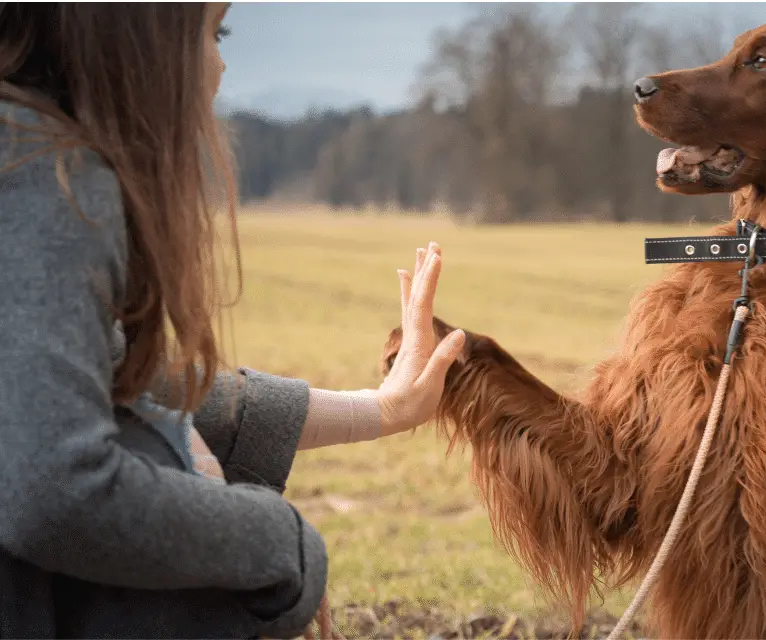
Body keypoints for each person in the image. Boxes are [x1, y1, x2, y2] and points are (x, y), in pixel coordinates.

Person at [0, 3, 465, 638]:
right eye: (210, 31)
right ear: (133, 34)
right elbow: (57, 491)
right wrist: (279, 542)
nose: (219, 67)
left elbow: (94, 377)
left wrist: (380, 408)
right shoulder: (46, 181)